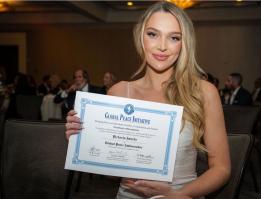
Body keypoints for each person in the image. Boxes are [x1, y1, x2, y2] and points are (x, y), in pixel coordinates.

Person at [65, 2, 230, 199]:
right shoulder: (119, 91)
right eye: (153, 34)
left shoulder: (203, 91)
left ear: (184, 43)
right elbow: (111, 175)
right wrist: (84, 142)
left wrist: (176, 195)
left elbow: (221, 168)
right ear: (141, 37)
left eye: (174, 37)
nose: (162, 46)